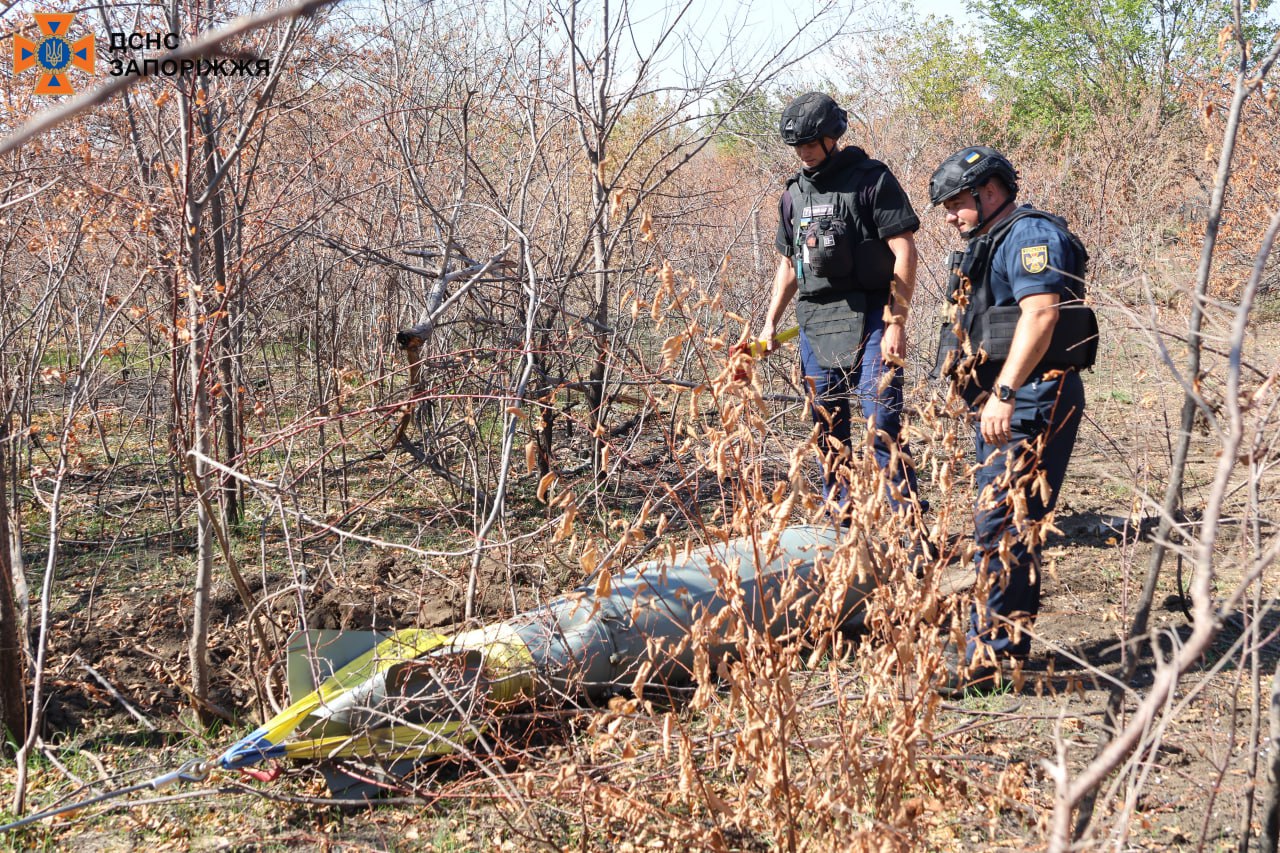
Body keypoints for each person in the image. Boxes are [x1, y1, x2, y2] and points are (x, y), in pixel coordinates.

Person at [928, 146, 1097, 696]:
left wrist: (1005, 390)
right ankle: (996, 649)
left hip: (1031, 396)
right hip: (1004, 403)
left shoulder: (1030, 236)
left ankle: (989, 662)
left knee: (1003, 525)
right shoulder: (990, 242)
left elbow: (1042, 313)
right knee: (1002, 523)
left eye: (957, 205)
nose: (951, 216)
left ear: (990, 192)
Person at [758, 92, 923, 518]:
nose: (804, 152)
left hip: (872, 315)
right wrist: (769, 323)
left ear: (833, 136)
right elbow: (790, 264)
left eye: (811, 143)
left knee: (880, 421)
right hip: (817, 320)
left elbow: (904, 250)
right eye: (798, 146)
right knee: (826, 428)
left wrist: (897, 323)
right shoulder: (793, 194)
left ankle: (909, 529)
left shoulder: (871, 179)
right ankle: (841, 525)